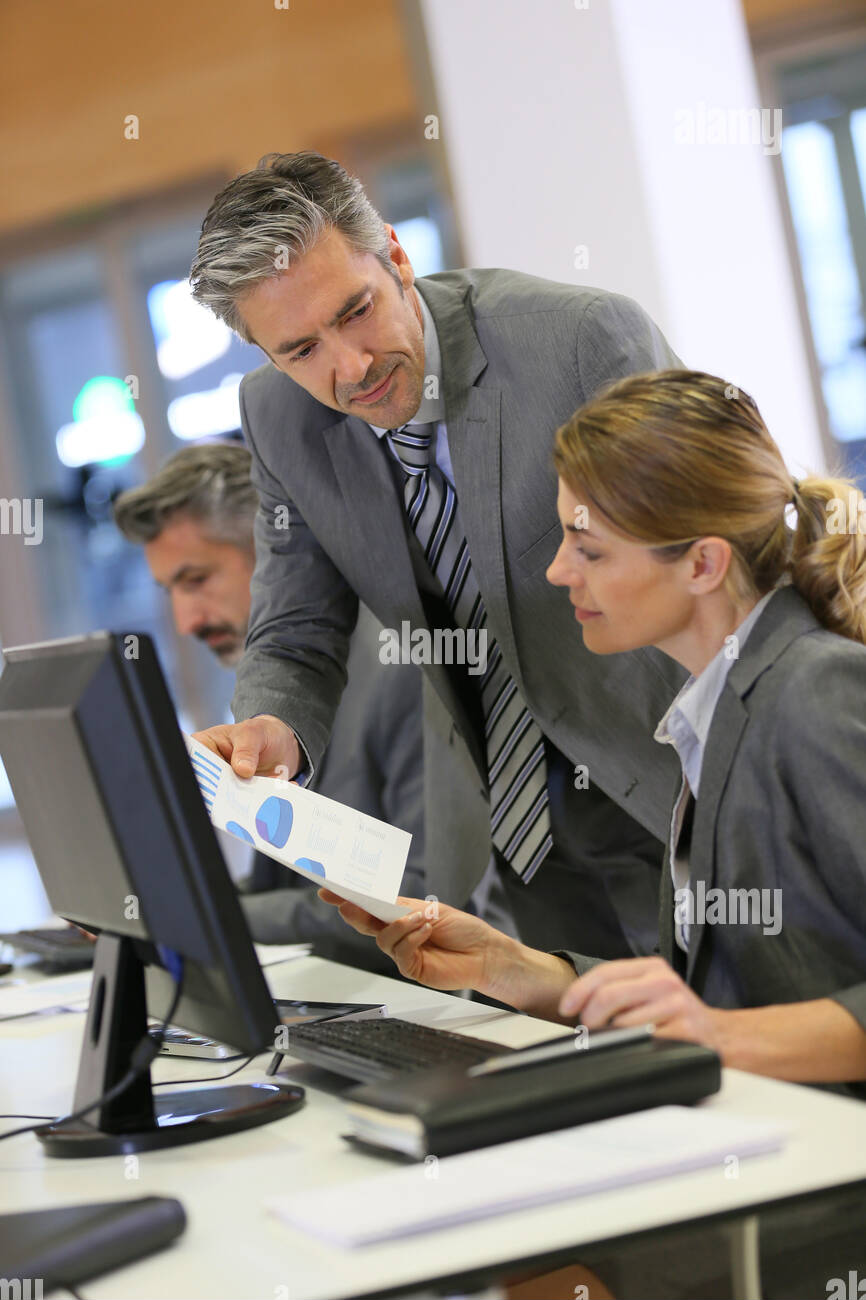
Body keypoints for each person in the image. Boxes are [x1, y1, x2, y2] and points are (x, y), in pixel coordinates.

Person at [188, 150, 688, 965]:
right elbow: (295, 625)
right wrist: (272, 726)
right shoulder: (276, 416)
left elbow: (713, 571)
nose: (349, 369)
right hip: (512, 829)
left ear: (395, 254)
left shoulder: (582, 341)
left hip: (665, 786)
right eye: (299, 350)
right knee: (589, 1055)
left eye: (356, 311)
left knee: (740, 1064)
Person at [319, 369, 866, 1097]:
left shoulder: (813, 691)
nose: (556, 570)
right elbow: (722, 989)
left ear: (703, 563)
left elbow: (724, 1021)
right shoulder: (722, 706)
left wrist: (720, 1037)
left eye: (590, 549)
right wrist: (513, 969)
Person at [113, 442, 444, 977]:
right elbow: (288, 887)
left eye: (196, 580)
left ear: (272, 553)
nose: (186, 622)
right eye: (170, 590)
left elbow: (422, 902)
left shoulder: (401, 667)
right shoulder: (269, 695)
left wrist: (201, 916)